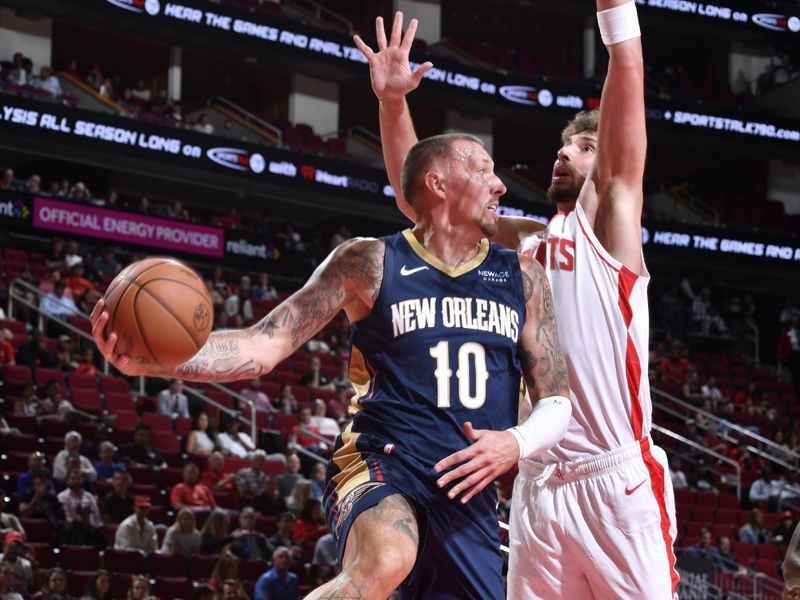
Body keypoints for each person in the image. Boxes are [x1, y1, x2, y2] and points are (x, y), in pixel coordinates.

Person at [92, 119, 568, 600]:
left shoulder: (523, 277)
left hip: (468, 490)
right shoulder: (369, 261)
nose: (500, 184)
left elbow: (557, 401)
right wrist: (156, 363)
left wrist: (516, 443)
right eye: (483, 169)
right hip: (383, 461)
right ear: (438, 182)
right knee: (386, 559)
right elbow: (263, 345)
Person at [362, 5, 677, 596]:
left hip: (615, 481)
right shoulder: (525, 241)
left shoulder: (612, 222)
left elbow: (626, 66)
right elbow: (426, 204)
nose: (566, 153)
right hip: (535, 481)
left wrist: (613, 12)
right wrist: (392, 103)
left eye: (584, 146)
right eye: (564, 145)